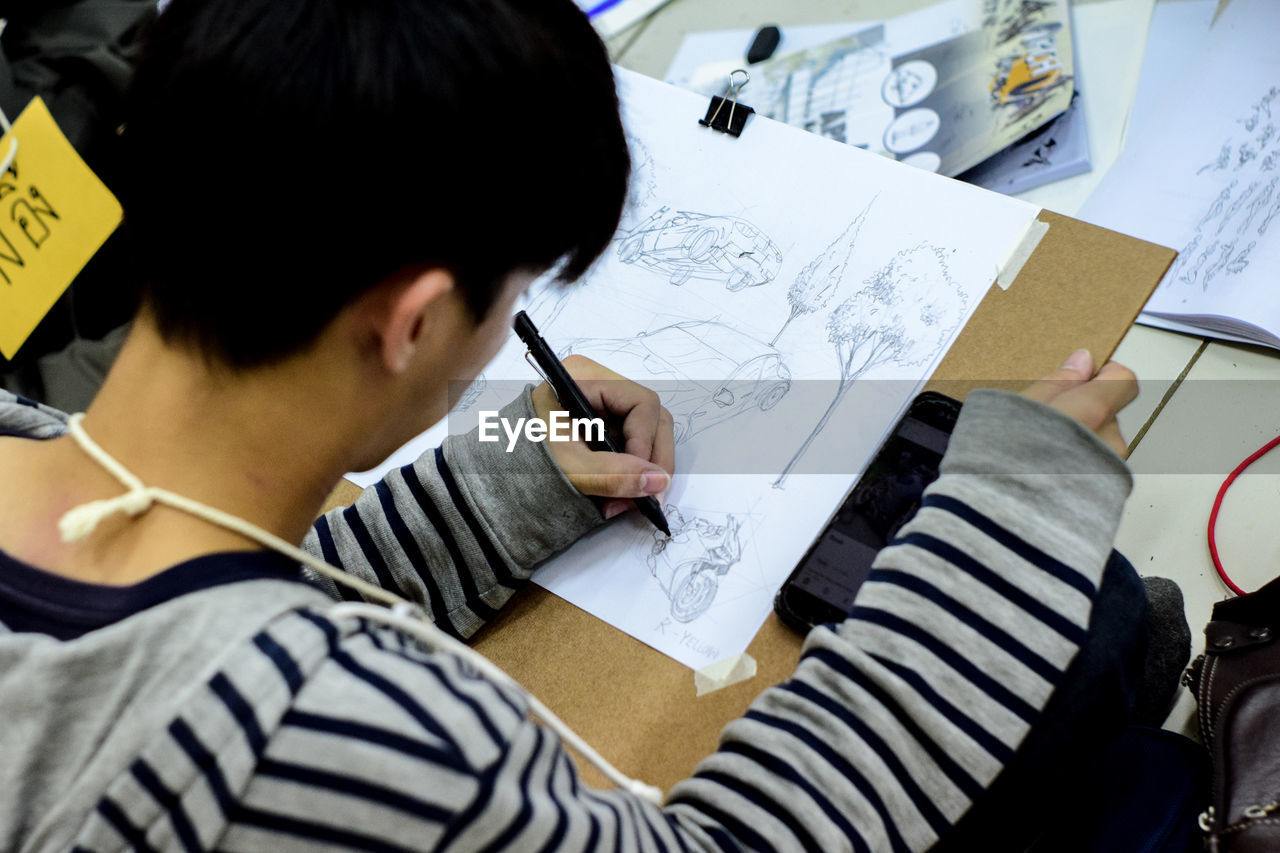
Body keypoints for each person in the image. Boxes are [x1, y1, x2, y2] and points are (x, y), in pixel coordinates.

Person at [0, 0, 1184, 850]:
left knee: (1106, 639)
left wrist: (513, 465)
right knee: (1090, 645)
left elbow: (208, 580)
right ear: (412, 322)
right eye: (515, 300)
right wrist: (1016, 507)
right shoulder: (322, 734)